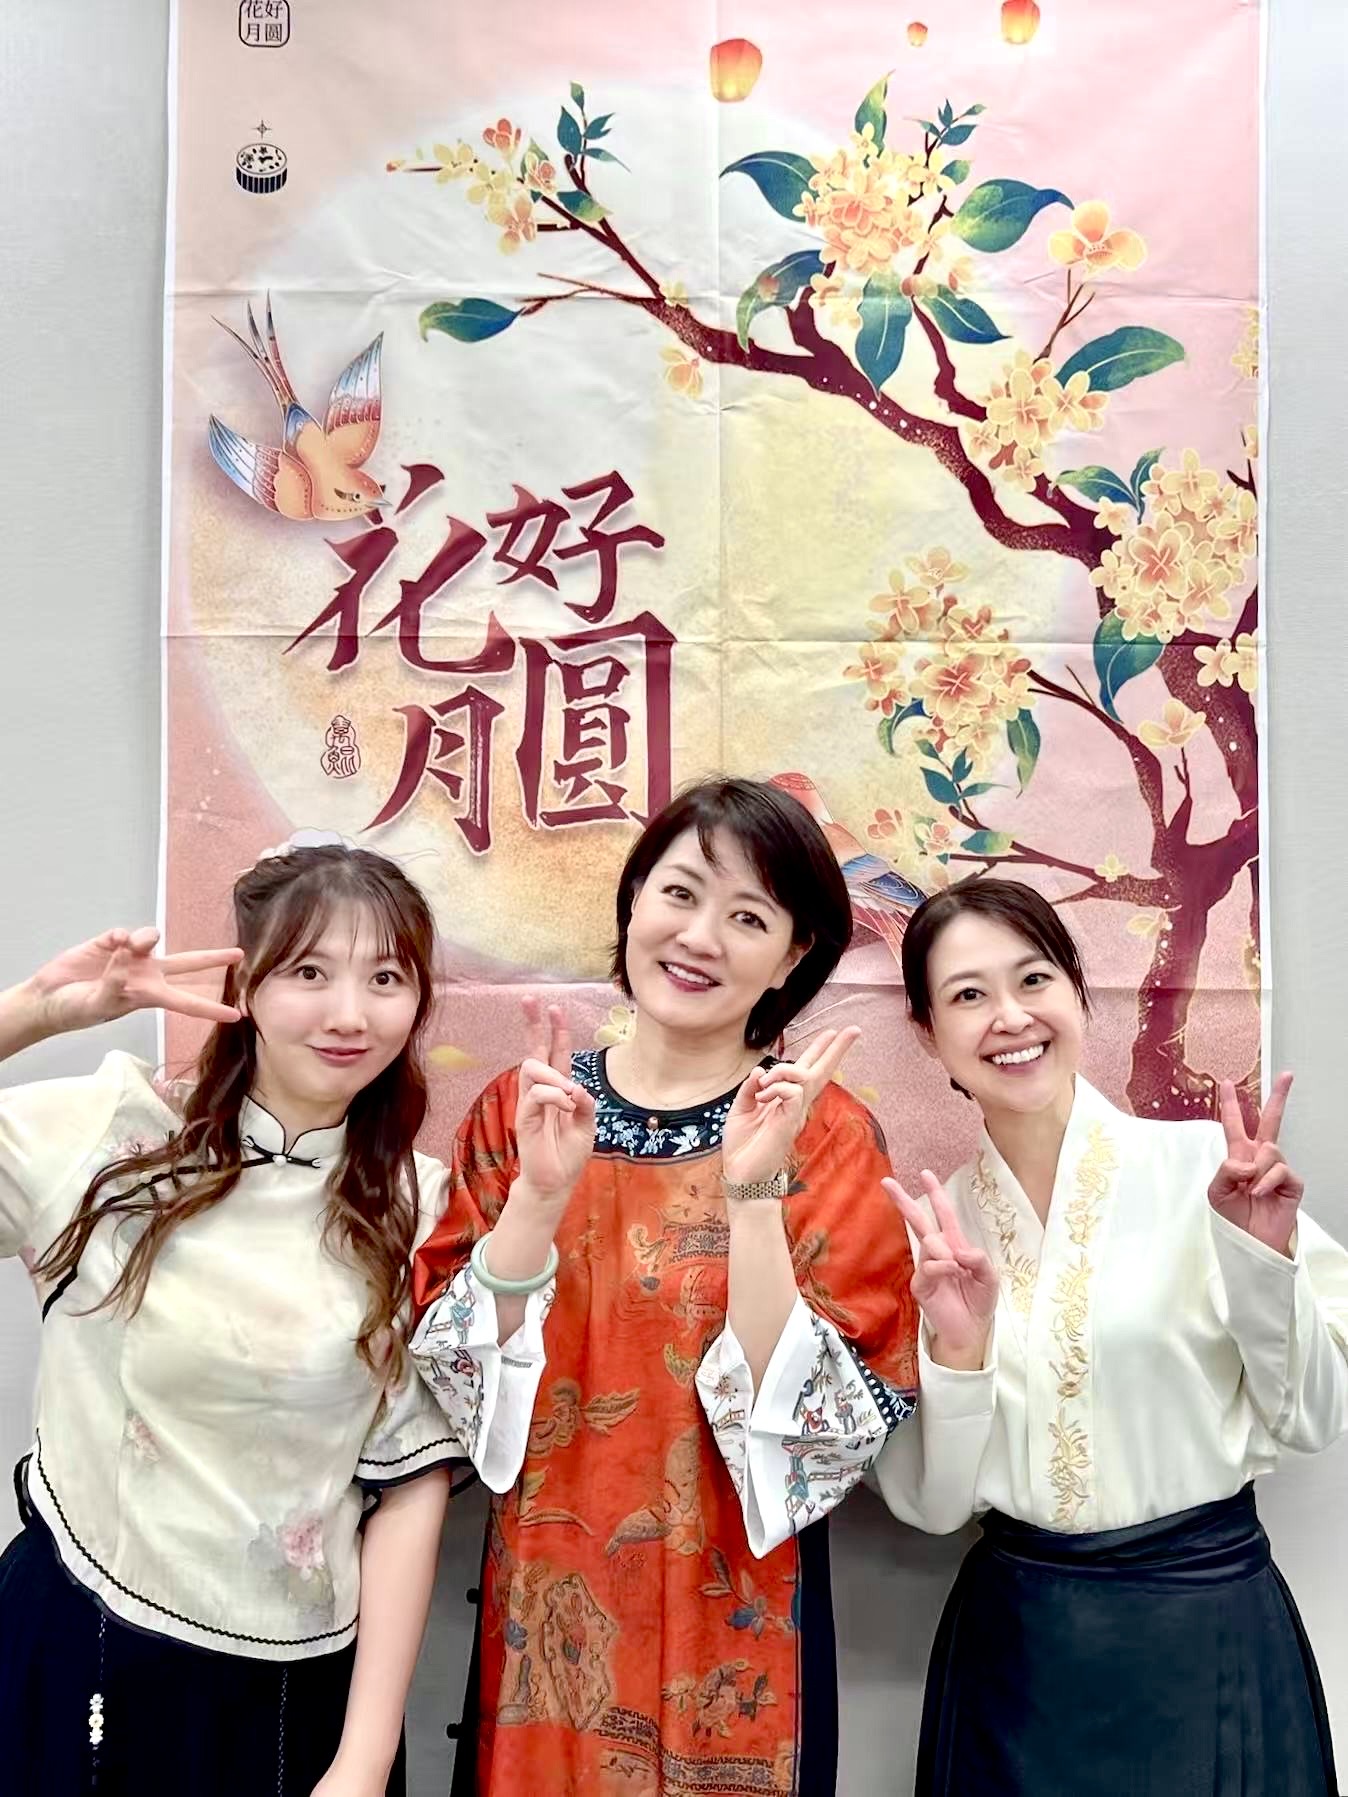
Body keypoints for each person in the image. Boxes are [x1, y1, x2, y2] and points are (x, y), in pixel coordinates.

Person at [411, 777, 925, 1796]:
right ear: (634, 899)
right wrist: (538, 1198)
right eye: (680, 894)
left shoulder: (823, 1133)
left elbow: (820, 1426)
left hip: (736, 1620)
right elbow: (459, 1385)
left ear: (793, 957)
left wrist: (754, 1193)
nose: (699, 938)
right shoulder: (526, 1110)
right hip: (548, 1608)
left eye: (748, 918)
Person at [0, 843, 478, 1796]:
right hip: (84, 1652)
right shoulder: (116, 1139)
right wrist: (35, 1011)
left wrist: (364, 1760)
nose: (350, 1014)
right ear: (247, 985)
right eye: (310, 972)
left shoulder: (420, 1206)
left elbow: (409, 1487)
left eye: (386, 978)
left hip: (299, 1698)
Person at [873, 876, 1348, 1796]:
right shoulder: (937, 1235)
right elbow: (933, 1506)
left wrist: (1262, 1260)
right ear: (929, 1033)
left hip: (1208, 1630)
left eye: (1034, 979)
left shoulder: (1207, 1170)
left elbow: (1314, 1419)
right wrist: (961, 1352)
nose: (1010, 1017)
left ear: (1079, 992)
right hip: (1019, 1658)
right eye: (968, 994)